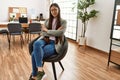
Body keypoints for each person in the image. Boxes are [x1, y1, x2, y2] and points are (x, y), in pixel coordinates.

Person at [29, 3, 67, 80]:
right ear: (50, 11)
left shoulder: (63, 21)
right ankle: (40, 71)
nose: (53, 11)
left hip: (54, 43)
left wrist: (47, 30)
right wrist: (54, 31)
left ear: (59, 10)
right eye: (52, 10)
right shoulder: (47, 20)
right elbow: (42, 32)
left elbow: (60, 33)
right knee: (36, 43)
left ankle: (35, 75)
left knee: (34, 54)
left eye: (55, 9)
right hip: (45, 39)